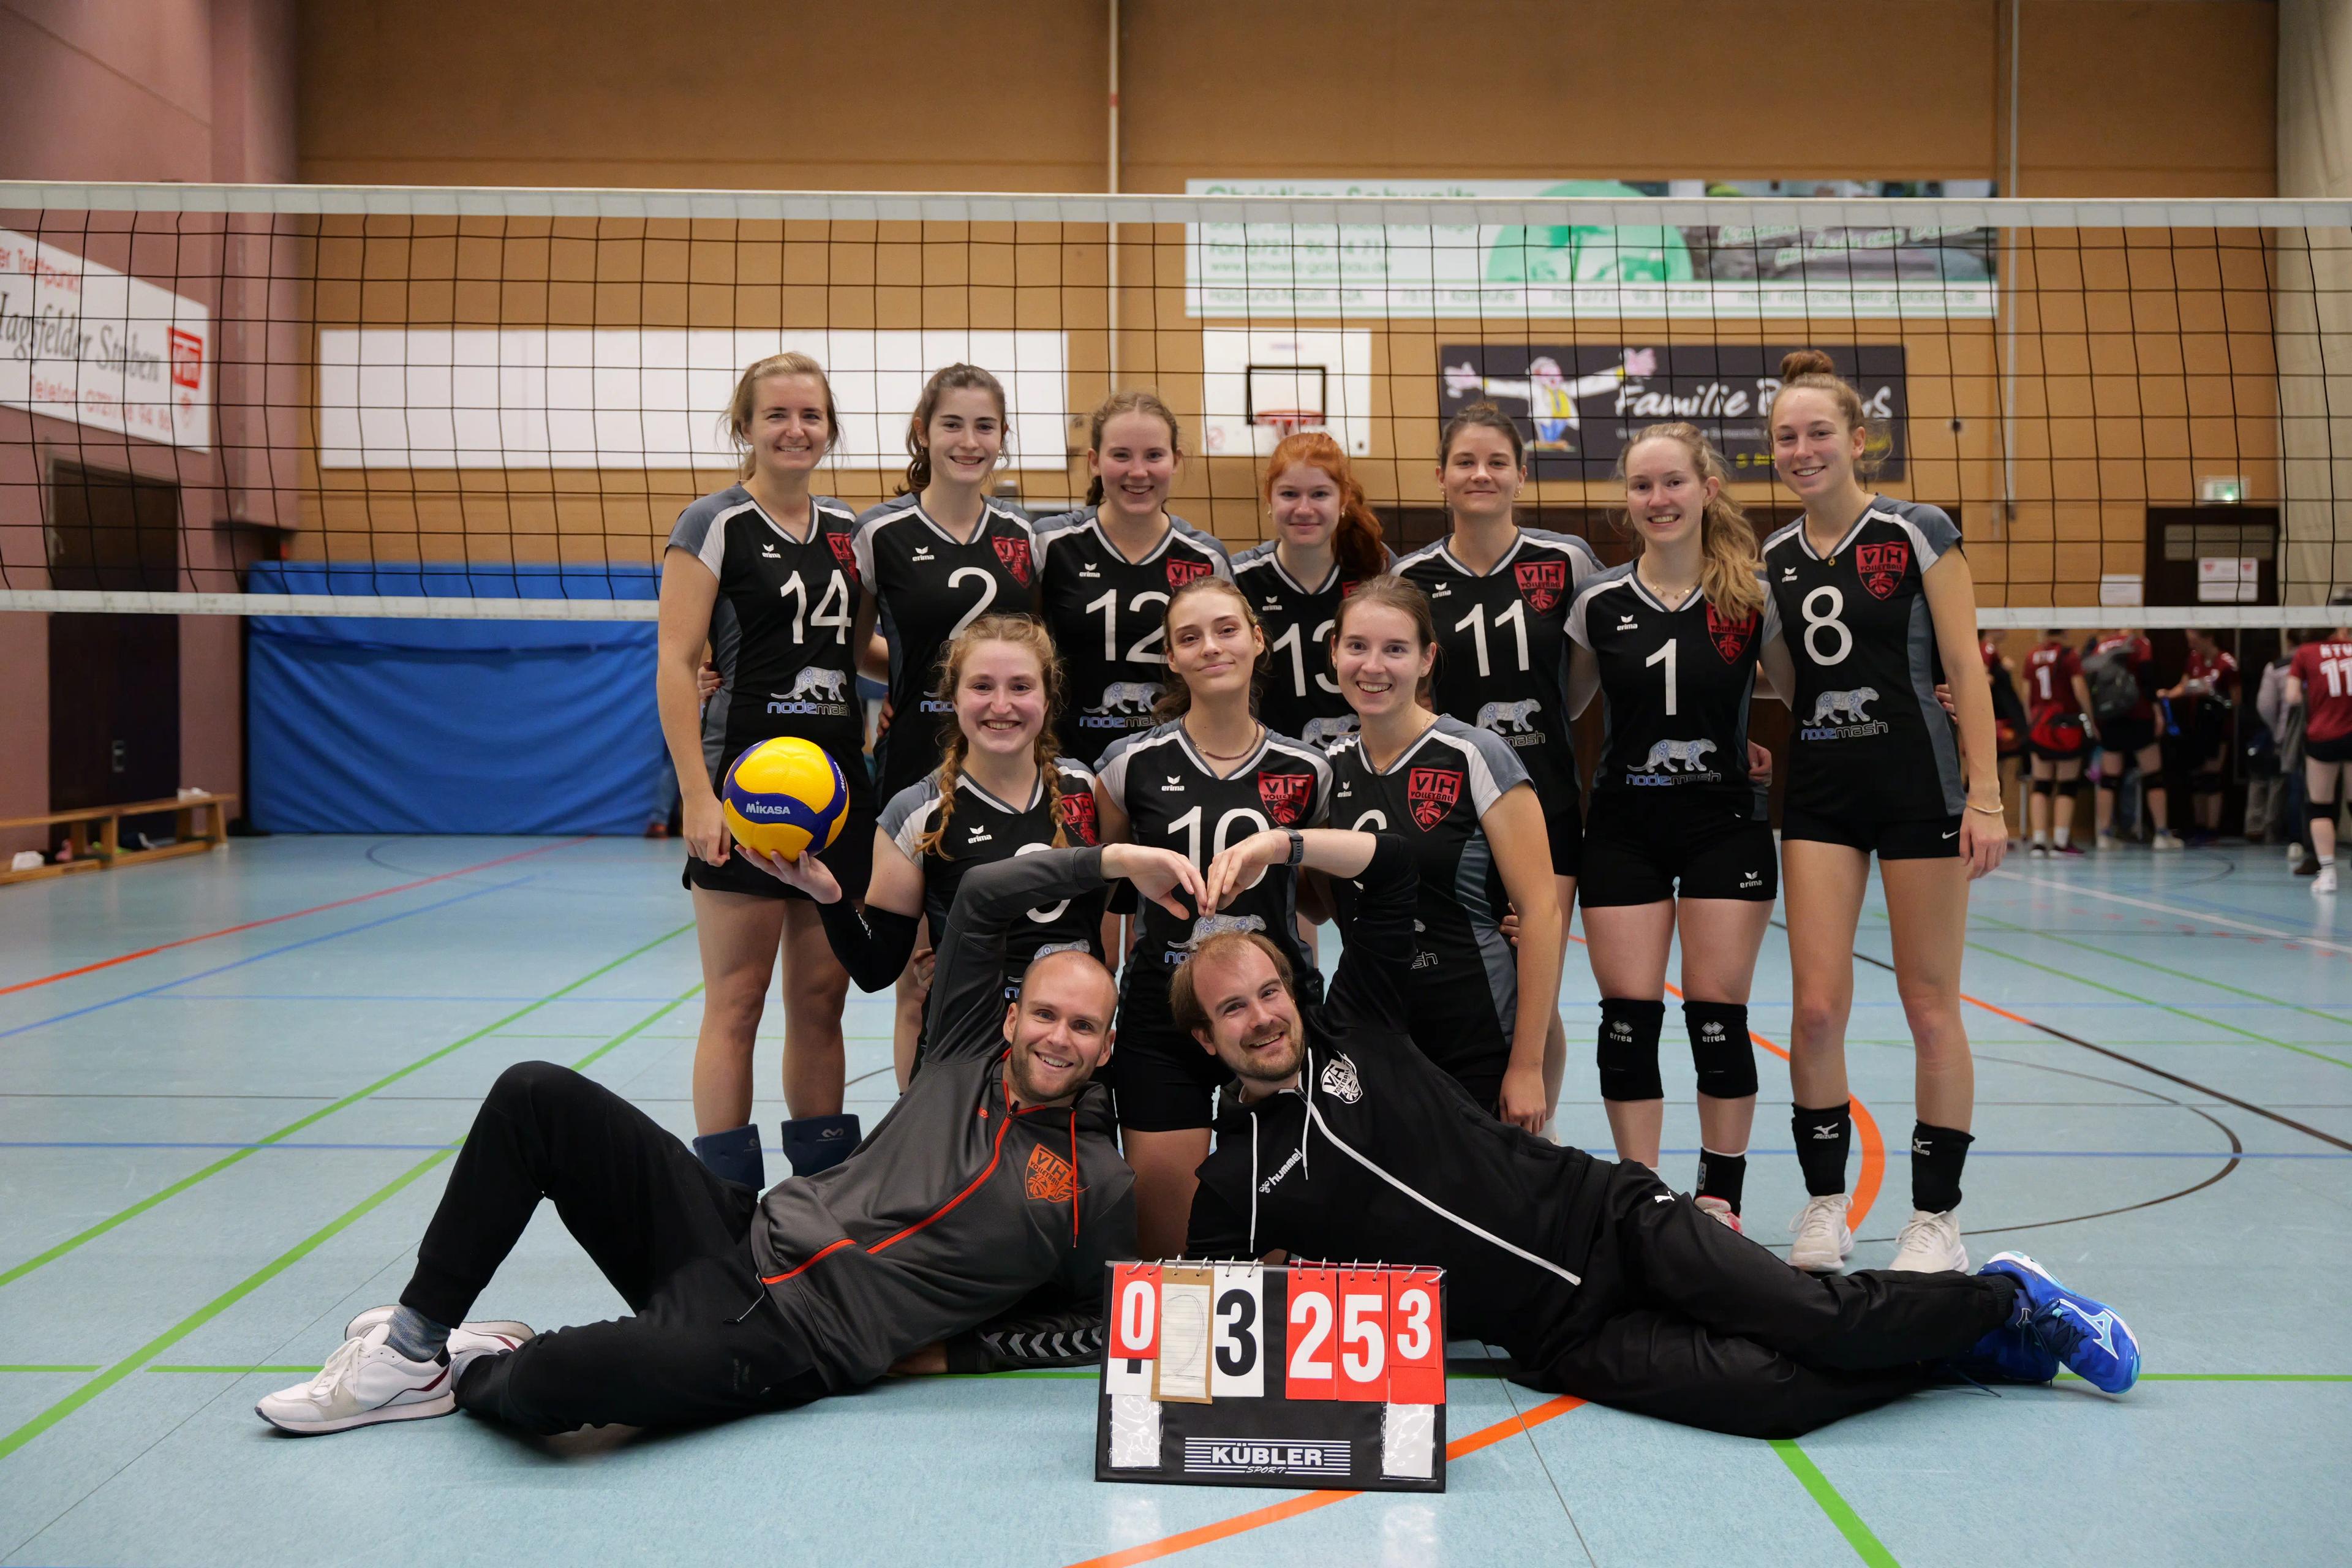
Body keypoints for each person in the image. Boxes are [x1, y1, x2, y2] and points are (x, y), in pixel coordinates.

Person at [1175, 826, 2140, 1440]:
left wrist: (1283, 847)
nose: (1262, 1017)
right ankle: (1973, 1346)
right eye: (1232, 1010)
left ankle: (2007, 1299)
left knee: (1815, 1320)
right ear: (1204, 1040)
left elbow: (1398, 868)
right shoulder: (1233, 1179)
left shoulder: (1358, 1024)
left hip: (1611, 1221)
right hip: (1559, 1335)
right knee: (1777, 1397)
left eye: (1268, 992)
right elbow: (1200, 1327)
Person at [254, 839, 1206, 1437]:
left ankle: (471, 1368)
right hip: (733, 1230)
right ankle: (415, 1345)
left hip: (791, 1339)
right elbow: (990, 892)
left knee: (556, 1384)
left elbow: (1096, 1326)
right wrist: (1116, 864)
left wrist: (950, 1356)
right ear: (1010, 1017)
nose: (1057, 1037)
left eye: (1083, 1027)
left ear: (1106, 1047)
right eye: (1045, 1013)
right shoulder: (961, 1049)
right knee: (534, 1094)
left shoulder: (1099, 1183)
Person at [1761, 350, 2005, 1275]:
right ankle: (1826, 1205)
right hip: (1822, 791)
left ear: (1860, 440)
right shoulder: (1774, 558)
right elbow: (1790, 682)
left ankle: (1937, 1218)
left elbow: (1966, 666)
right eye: (1787, 437)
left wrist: (1986, 796)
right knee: (1816, 1009)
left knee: (1929, 1005)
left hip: (1919, 788)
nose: (1803, 450)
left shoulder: (1917, 530)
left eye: (1820, 432)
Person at [656, 353, 872, 1191]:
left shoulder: (850, 529)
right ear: (744, 426)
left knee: (820, 1003)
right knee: (738, 1001)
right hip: (743, 793)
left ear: (830, 428)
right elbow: (677, 662)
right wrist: (697, 794)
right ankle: (725, 1207)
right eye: (776, 414)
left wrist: (934, 677)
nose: (795, 429)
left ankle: (820, 1200)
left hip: (836, 795)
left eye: (811, 415)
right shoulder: (712, 522)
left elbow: (857, 651)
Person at [1564, 423, 1782, 1228]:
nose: (1658, 499)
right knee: (1628, 1020)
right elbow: (1564, 709)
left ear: (1707, 490)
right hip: (1623, 827)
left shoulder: (1751, 598)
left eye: (1673, 482)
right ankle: (1642, 1199)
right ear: (1627, 500)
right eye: (1642, 485)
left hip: (1724, 824)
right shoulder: (1598, 603)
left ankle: (1720, 1198)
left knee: (1717, 1017)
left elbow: (1806, 690)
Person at [1093, 576, 1332, 1258]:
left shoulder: (1308, 769)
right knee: (1170, 1248)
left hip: (1268, 1012)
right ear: (1171, 658)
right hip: (1160, 1016)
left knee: (1279, 1238)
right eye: (1190, 637)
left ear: (1258, 639)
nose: (1211, 647)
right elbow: (1106, 895)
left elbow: (1318, 902)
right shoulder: (1127, 765)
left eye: (1227, 630)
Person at [1397, 401, 1599, 1122]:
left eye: (1496, 462)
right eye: (1465, 462)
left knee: (1533, 978)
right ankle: (1460, 1132)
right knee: (1465, 974)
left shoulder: (1566, 561)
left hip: (1544, 805)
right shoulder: (1412, 575)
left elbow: (1584, 679)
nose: (1480, 474)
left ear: (1521, 473)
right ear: (1441, 476)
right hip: (1449, 811)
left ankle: (1534, 1139)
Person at [801, 617, 1109, 1063]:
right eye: (982, 686)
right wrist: (829, 896)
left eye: (1021, 687)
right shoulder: (915, 812)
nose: (1001, 705)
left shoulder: (1087, 788)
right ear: (954, 697)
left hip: (1067, 1057)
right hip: (965, 1054)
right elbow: (875, 969)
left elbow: (1110, 902)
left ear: (1047, 698)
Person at [852, 365, 1043, 1086]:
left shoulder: (1027, 536)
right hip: (916, 771)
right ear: (923, 432)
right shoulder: (880, 532)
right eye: (953, 424)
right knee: (921, 981)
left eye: (984, 426)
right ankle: (920, 1131)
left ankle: (1009, 1122)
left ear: (1003, 436)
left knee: (1017, 975)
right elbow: (856, 649)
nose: (969, 441)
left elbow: (1037, 655)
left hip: (1009, 776)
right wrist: (924, 689)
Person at [1321, 575, 1561, 1129]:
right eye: (1357, 646)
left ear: (1427, 658)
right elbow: (1323, 901)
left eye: (1395, 649)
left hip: (1475, 1023)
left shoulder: (1475, 754)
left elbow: (1542, 913)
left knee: (1487, 1178)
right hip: (1376, 1025)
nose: (1373, 666)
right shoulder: (1329, 769)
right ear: (1334, 652)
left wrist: (1528, 1067)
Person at [1034, 390, 1231, 762]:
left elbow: (1227, 671)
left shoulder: (1206, 559)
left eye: (1154, 455)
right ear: (1095, 462)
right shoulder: (1051, 544)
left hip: (1173, 764)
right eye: (1121, 455)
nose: (1138, 472)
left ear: (1175, 461)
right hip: (1065, 762)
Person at [1229, 430, 1392, 750]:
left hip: (1364, 760)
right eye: (1290, 494)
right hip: (1266, 761)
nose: (1304, 509)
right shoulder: (1238, 581)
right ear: (1269, 498)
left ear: (1343, 499)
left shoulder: (1375, 572)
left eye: (1319, 494)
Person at [2086, 627, 2179, 850]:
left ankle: (2104, 835)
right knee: (2154, 776)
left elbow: (2090, 682)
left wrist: (2094, 718)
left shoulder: (2102, 645)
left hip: (2109, 717)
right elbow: (2148, 679)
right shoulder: (2141, 644)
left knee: (2108, 780)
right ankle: (2161, 834)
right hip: (2139, 714)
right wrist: (2157, 712)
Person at [2286, 618, 2352, 895]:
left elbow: (2292, 697)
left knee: (2320, 806)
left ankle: (2328, 873)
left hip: (2323, 735)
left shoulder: (2306, 652)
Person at [2022, 630, 2098, 857]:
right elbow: (2079, 689)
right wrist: (2091, 720)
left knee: (2041, 784)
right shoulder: (2069, 655)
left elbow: (2026, 694)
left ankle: (2038, 842)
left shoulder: (2032, 655)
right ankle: (2060, 842)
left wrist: (2031, 724)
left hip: (2040, 726)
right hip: (2066, 725)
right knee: (2067, 784)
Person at [2160, 628, 2239, 841]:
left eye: (2194, 640)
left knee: (2212, 776)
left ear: (2208, 638)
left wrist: (2213, 694)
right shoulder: (2194, 659)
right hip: (2196, 724)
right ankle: (2199, 825)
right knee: (2197, 776)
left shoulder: (2226, 663)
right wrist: (2169, 694)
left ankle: (2212, 829)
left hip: (2217, 726)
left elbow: (2236, 699)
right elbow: (2184, 685)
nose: (2191, 645)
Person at [1983, 631, 2028, 841]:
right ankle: (1985, 828)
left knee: (1996, 774)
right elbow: (1982, 679)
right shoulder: (1987, 648)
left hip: (1998, 721)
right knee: (1988, 775)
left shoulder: (1991, 650)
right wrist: (2001, 670)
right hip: (1993, 722)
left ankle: (1991, 827)